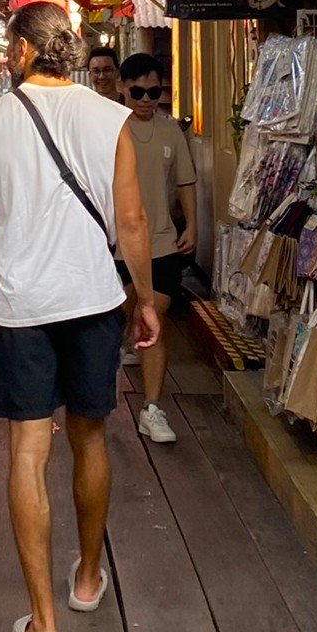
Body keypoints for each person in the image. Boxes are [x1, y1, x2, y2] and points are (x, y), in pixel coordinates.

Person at [0, 1, 158, 632]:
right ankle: (86, 577)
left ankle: (44, 627)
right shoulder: (112, 118)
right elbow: (131, 220)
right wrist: (147, 298)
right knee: (90, 431)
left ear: (20, 50)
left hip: (22, 305)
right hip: (94, 297)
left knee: (26, 451)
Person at [114, 53, 198, 446]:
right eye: (138, 91)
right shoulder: (109, 130)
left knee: (155, 319)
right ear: (122, 87)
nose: (146, 99)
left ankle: (151, 406)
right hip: (115, 244)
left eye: (154, 91)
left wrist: (193, 225)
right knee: (120, 314)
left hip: (161, 240)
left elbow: (185, 183)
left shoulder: (170, 132)